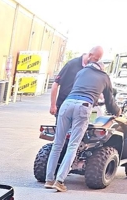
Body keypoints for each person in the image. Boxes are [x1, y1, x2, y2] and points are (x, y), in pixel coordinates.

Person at [45, 60, 120, 192]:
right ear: (102, 68)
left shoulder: (81, 72)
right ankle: (59, 181)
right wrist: (117, 111)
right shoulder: (104, 77)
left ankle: (49, 179)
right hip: (83, 106)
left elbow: (78, 89)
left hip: (67, 104)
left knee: (57, 144)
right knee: (73, 145)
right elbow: (109, 101)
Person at [50, 46, 104, 116]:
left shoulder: (92, 70)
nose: (96, 62)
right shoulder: (72, 65)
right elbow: (55, 84)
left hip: (81, 110)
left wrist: (102, 97)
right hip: (64, 106)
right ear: (90, 55)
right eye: (96, 59)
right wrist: (53, 105)